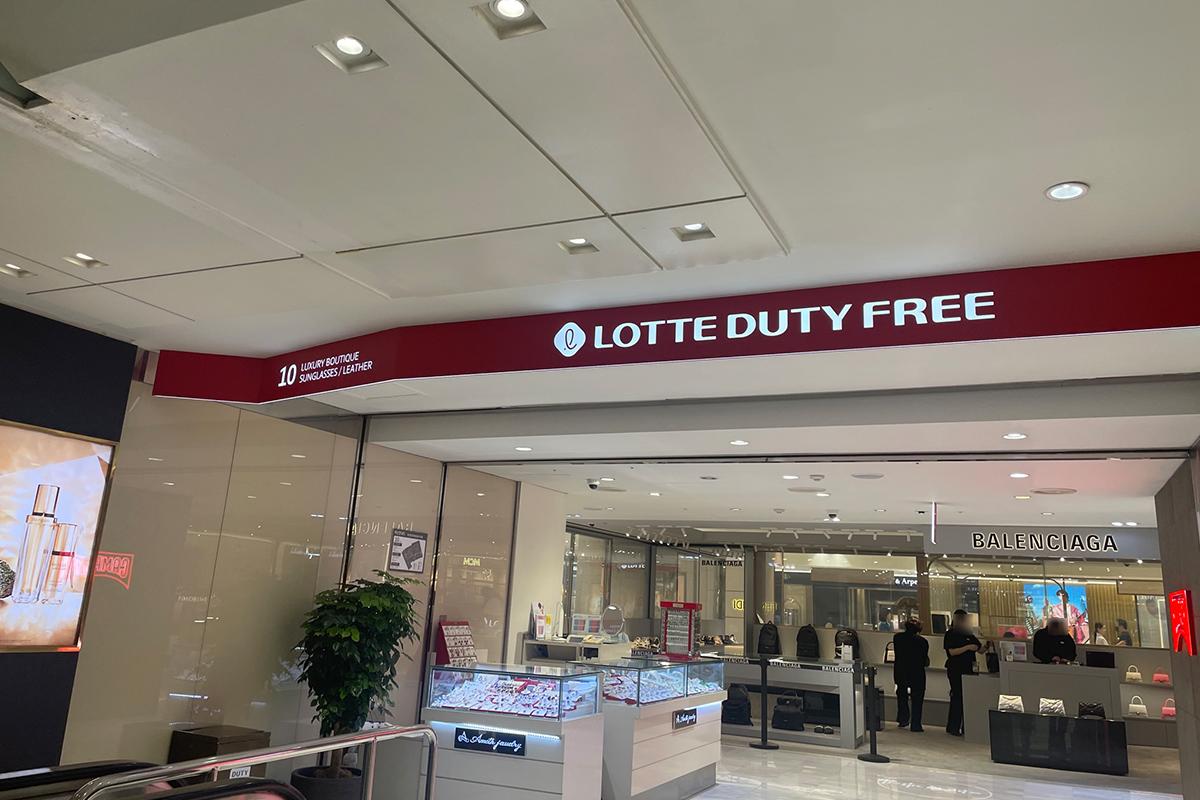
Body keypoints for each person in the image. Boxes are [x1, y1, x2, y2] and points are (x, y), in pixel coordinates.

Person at [943, 609, 981, 736]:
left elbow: (980, 648)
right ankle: (953, 726)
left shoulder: (969, 634)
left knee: (968, 698)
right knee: (957, 697)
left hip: (969, 669)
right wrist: (968, 647)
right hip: (956, 669)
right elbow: (952, 652)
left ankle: (966, 727)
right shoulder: (950, 634)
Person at [893, 618, 929, 732]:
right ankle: (916, 724)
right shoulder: (922, 641)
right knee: (917, 698)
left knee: (902, 695)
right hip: (917, 672)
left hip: (901, 671)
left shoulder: (897, 638)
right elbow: (925, 660)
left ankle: (903, 719)